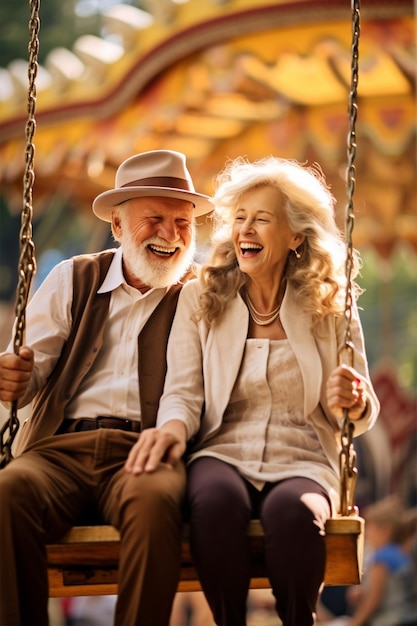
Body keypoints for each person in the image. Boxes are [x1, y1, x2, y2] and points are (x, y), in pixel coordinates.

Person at [126, 155, 380, 626]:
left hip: (303, 454)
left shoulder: (329, 305)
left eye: (262, 219)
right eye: (240, 218)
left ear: (295, 236)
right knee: (215, 503)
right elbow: (182, 391)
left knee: (293, 513)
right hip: (222, 451)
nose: (246, 229)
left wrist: (352, 399)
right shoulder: (199, 297)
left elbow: (360, 409)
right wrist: (173, 431)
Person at [0, 149, 212, 626]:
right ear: (117, 226)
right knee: (8, 490)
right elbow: (30, 372)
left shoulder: (204, 294)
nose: (170, 234)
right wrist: (13, 375)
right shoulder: (72, 277)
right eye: (154, 218)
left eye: (183, 223)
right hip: (63, 447)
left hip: (148, 450)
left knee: (155, 502)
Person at [345, 497, 417, 626]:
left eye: (370, 527)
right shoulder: (401, 553)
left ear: (384, 531)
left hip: (390, 621)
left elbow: (374, 600)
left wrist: (355, 623)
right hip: (409, 617)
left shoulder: (381, 558)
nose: (366, 533)